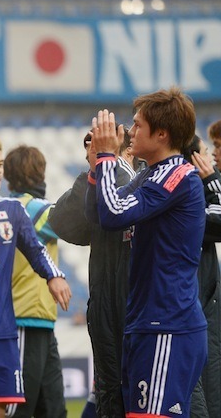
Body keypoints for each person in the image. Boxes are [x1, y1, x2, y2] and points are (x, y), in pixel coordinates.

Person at [87, 87, 206, 417]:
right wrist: (98, 167)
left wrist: (108, 157)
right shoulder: (150, 175)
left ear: (162, 133)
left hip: (167, 323)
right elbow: (97, 215)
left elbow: (114, 214)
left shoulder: (177, 175)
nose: (131, 131)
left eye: (138, 125)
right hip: (145, 321)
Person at [0, 132, 71, 418]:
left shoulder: (13, 211)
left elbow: (36, 249)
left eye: (0, 164)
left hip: (3, 331)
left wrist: (54, 276)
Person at [49, 130, 137, 418]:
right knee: (110, 398)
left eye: (99, 141)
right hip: (106, 310)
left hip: (142, 310)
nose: (92, 145)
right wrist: (93, 172)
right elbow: (62, 222)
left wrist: (106, 164)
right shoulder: (96, 186)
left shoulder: (147, 180)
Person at [3, 145, 68, 418]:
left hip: (38, 319)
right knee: (19, 410)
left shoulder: (13, 207)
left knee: (51, 409)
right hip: (25, 318)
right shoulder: (33, 209)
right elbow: (73, 218)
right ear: (39, 172)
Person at [182, 134, 221, 418]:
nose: (212, 157)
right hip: (197, 312)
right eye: (209, 150)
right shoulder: (188, 199)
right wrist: (212, 181)